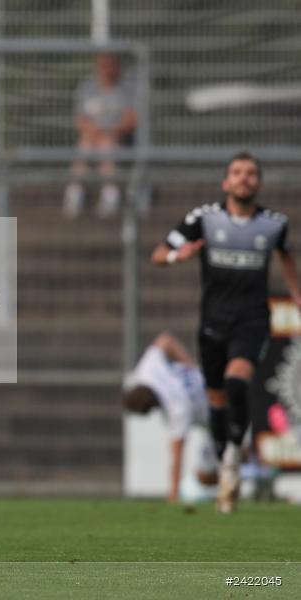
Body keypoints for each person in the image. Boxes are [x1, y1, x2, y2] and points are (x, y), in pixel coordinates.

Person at [151, 152, 301, 513]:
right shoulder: (204, 219)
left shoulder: (273, 225)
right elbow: (159, 253)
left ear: (259, 183)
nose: (244, 179)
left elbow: (287, 262)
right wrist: (177, 256)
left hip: (251, 321)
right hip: (212, 324)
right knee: (217, 400)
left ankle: (234, 454)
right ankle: (227, 467)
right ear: (225, 182)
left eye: (251, 174)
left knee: (237, 383)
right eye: (237, 173)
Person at [122, 332, 219, 503]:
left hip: (218, 418)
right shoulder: (147, 369)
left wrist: (173, 493)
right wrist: (190, 365)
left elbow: (177, 454)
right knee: (221, 465)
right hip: (212, 386)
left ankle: (246, 470)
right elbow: (166, 340)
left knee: (206, 477)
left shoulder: (176, 407)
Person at [63, 53, 137, 219]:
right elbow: (80, 121)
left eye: (110, 66)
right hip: (92, 137)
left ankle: (110, 194)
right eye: (103, 66)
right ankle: (75, 193)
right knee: (85, 144)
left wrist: (110, 131)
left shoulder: (126, 89)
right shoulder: (88, 88)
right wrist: (94, 131)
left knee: (107, 144)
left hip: (118, 139)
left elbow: (131, 119)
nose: (106, 70)